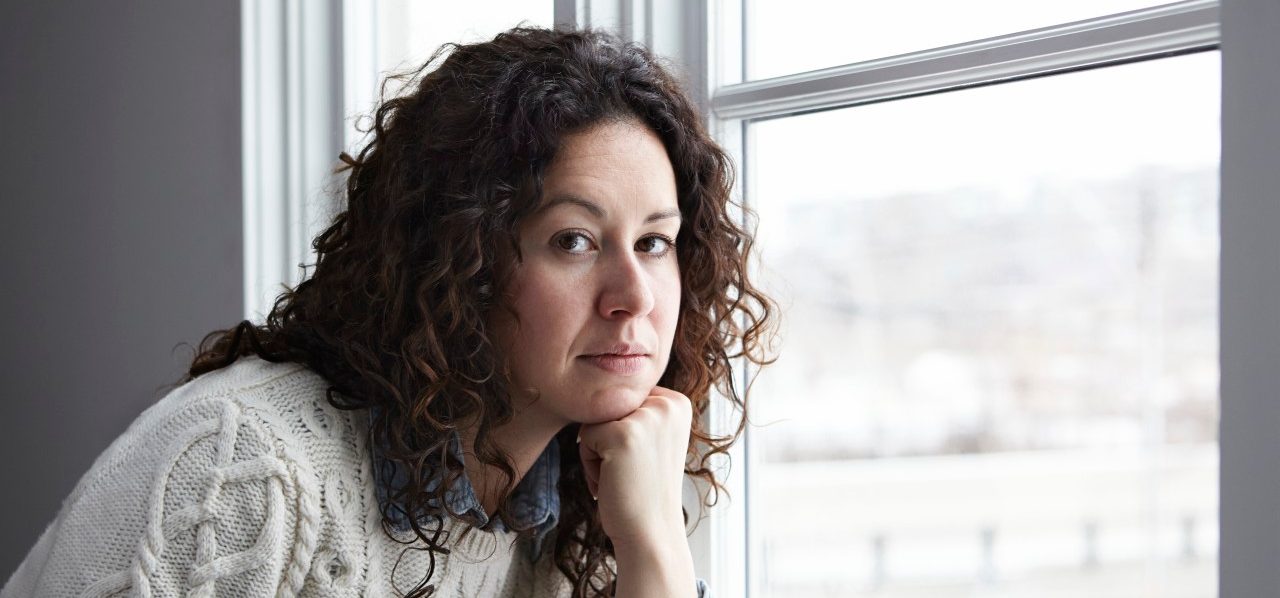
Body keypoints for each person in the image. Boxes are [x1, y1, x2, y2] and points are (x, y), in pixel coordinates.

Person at [1, 25, 773, 598]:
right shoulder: (243, 467)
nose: (634, 296)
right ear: (460, 255)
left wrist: (655, 547)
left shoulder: (587, 497)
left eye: (655, 242)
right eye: (573, 240)